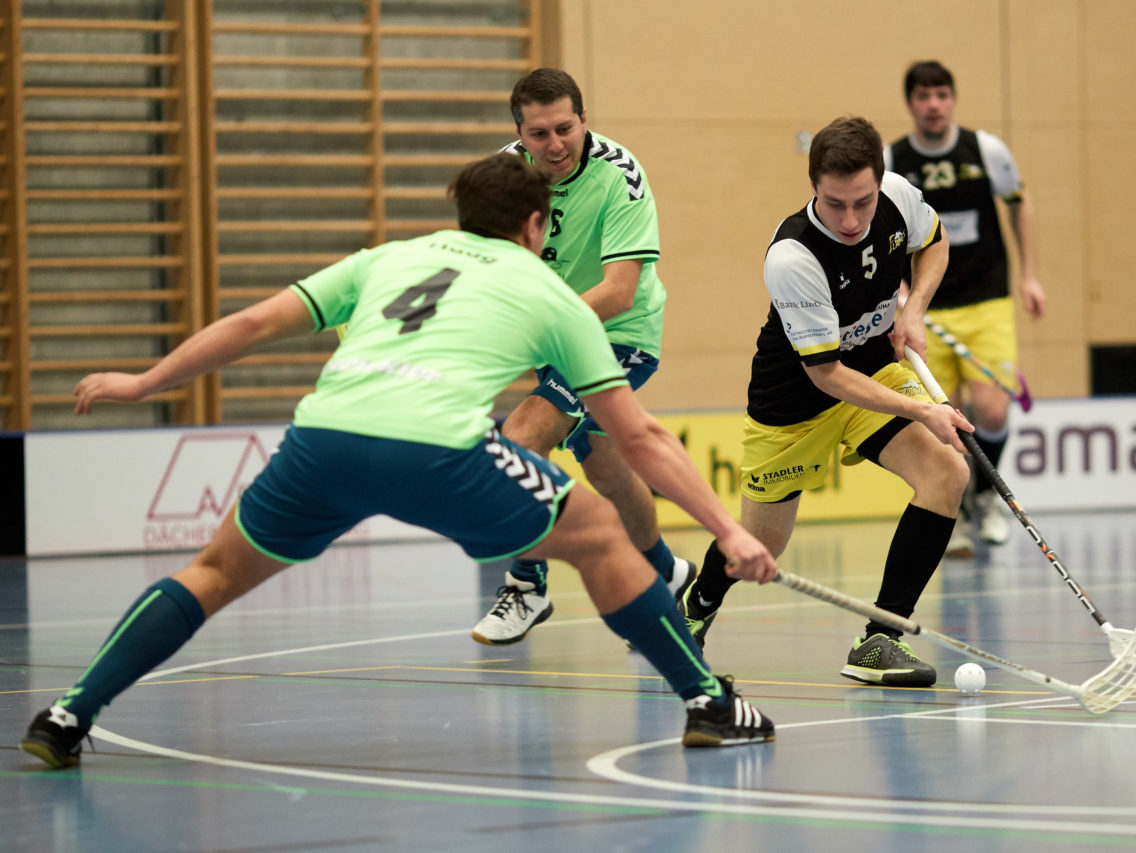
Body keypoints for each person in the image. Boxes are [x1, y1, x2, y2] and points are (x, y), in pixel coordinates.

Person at [19, 154, 778, 770]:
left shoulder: (387, 258)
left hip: (326, 440)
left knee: (212, 572)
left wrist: (145, 381)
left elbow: (253, 322)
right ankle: (707, 700)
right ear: (535, 224)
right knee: (602, 536)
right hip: (439, 448)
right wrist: (727, 531)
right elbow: (640, 438)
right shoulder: (551, 293)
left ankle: (67, 714)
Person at [677, 116, 973, 687]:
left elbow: (934, 244)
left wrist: (912, 314)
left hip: (872, 370)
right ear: (813, 185)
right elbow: (826, 374)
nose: (851, 219)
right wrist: (924, 411)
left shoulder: (898, 197)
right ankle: (694, 608)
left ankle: (880, 638)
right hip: (796, 399)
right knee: (762, 542)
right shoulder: (793, 258)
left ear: (879, 183)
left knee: (946, 473)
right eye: (835, 204)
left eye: (862, 202)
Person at [471, 68, 694, 646]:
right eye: (539, 134)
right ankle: (666, 572)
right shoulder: (506, 175)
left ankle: (526, 584)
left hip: (621, 334)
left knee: (520, 437)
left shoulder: (621, 175)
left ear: (584, 118)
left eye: (565, 128)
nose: (555, 145)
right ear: (519, 132)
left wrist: (534, 327)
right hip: (558, 334)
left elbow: (620, 290)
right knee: (604, 465)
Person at [885, 60, 1046, 555]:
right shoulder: (893, 159)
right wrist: (899, 292)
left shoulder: (987, 151)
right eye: (923, 96)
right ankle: (952, 509)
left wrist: (1029, 275)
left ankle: (984, 498)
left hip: (988, 301)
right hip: (925, 309)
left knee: (993, 411)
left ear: (952, 99)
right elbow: (881, 229)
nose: (933, 104)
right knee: (940, 417)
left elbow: (1020, 205)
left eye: (941, 95)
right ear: (910, 103)